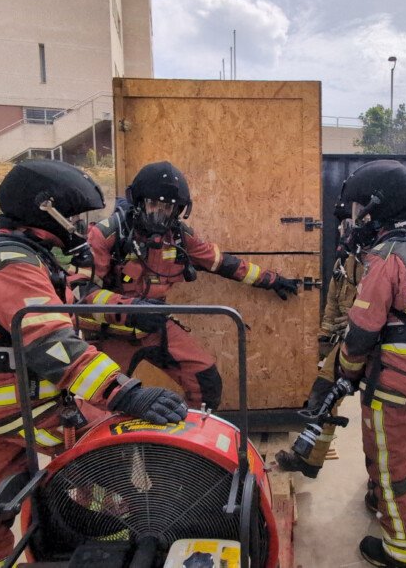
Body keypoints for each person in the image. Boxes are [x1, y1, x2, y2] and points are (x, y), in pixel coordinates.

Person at [0, 159, 187, 568]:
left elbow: (72, 308)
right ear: (46, 209)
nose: (79, 225)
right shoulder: (14, 264)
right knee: (109, 456)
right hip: (15, 399)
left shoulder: (16, 251)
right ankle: (124, 542)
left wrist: (127, 308)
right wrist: (122, 392)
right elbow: (49, 340)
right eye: (74, 215)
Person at [83, 160, 299, 409]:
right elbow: (80, 296)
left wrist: (271, 280)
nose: (160, 215)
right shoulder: (107, 235)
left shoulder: (178, 236)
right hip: (110, 335)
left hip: (155, 327)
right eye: (154, 205)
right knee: (102, 401)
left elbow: (221, 262)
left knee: (206, 381)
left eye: (169, 209)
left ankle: (187, 442)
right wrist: (130, 310)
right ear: (139, 202)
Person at [336, 160, 406, 568]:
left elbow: (363, 328)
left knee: (391, 464)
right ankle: (377, 496)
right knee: (384, 445)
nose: (353, 219)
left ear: (374, 208)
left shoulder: (387, 253)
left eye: (357, 209)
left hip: (395, 378)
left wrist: (345, 370)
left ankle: (403, 550)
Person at [276, 206, 362, 478]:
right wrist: (324, 343)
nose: (340, 230)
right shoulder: (344, 263)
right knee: (325, 393)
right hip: (349, 342)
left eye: (345, 223)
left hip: (377, 347)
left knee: (376, 419)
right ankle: (309, 460)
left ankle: (378, 483)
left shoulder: (377, 260)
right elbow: (333, 306)